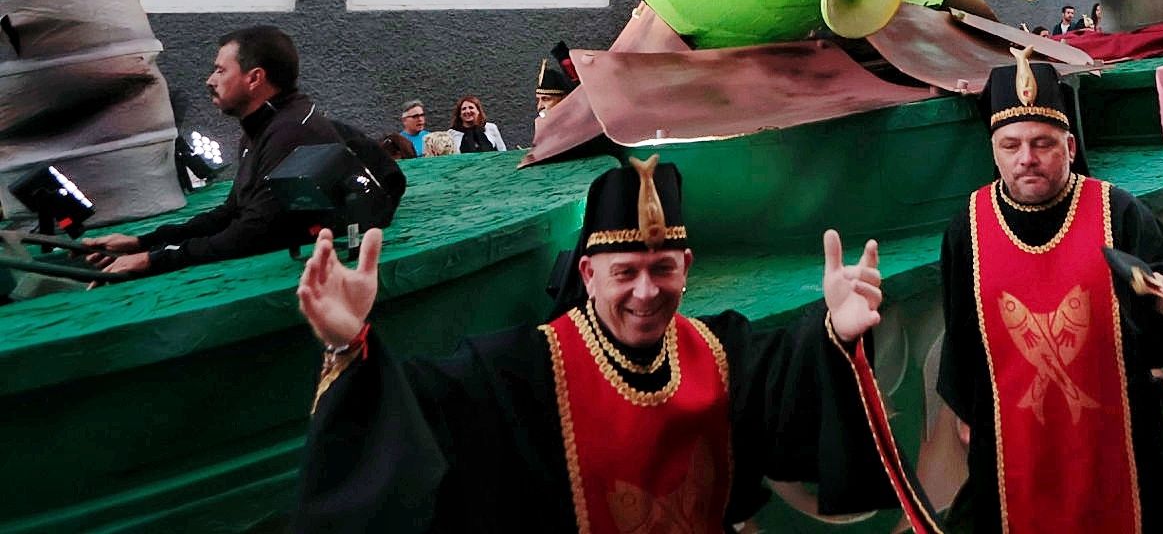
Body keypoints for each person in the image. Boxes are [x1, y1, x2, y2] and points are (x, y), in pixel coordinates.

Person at [293, 155, 919, 531]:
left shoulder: (721, 350)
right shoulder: (523, 369)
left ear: (687, 265)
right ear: (589, 274)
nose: (646, 291)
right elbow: (415, 422)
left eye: (663, 267)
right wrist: (349, 348)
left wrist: (834, 331)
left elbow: (791, 384)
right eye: (625, 272)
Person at [937, 51, 1163, 533]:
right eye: (1010, 145)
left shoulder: (1118, 211)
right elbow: (962, 332)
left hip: (1116, 436)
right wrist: (965, 414)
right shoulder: (966, 226)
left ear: (1069, 146)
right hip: (1011, 439)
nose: (1026, 158)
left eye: (1042, 143)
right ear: (993, 149)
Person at [85, 26, 344, 277]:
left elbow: (254, 231)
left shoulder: (291, 134)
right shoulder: (267, 127)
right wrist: (143, 242)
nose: (210, 80)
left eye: (220, 71)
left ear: (254, 78)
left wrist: (154, 259)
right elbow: (233, 212)